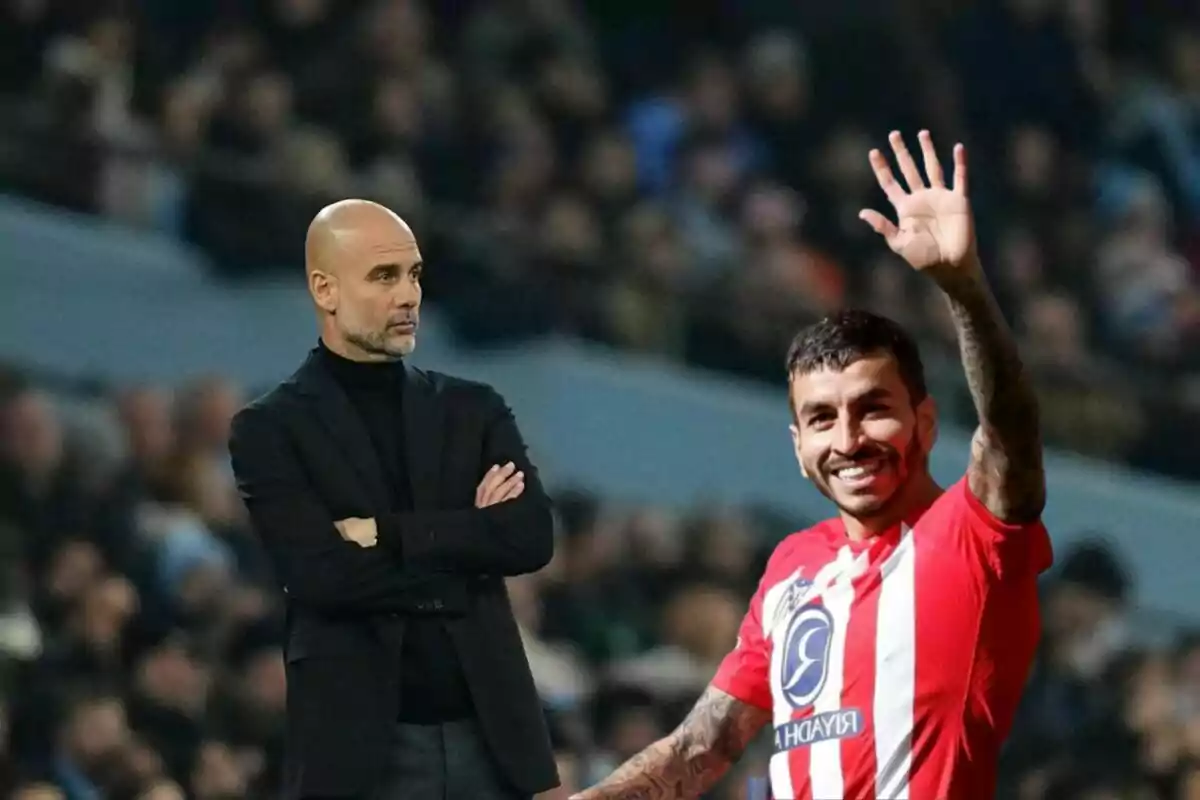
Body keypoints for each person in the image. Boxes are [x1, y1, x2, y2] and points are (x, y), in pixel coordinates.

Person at [571, 130, 1052, 800]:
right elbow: (699, 748)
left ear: (927, 423)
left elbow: (1010, 431)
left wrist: (964, 291)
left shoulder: (970, 537)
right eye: (822, 419)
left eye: (872, 408)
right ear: (799, 446)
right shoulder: (794, 567)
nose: (848, 438)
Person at [228, 200, 558, 800]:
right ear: (325, 290)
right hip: (359, 750)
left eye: (414, 275)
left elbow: (531, 536)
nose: (409, 295)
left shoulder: (472, 407)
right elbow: (320, 575)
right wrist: (467, 542)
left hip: (493, 738)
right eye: (384, 276)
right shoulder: (270, 428)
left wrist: (385, 534)